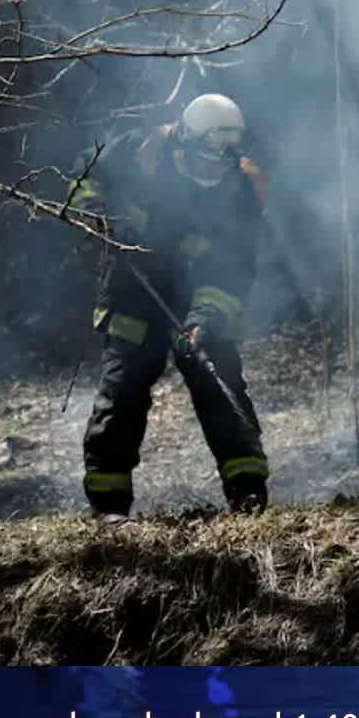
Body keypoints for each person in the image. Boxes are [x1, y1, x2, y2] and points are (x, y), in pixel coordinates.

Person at [66, 93, 270, 522]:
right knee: (121, 396)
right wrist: (93, 212)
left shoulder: (243, 191)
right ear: (185, 141)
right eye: (209, 155)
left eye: (228, 156)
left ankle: (248, 493)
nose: (218, 166)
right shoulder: (143, 153)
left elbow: (234, 269)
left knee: (220, 385)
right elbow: (85, 172)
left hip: (198, 299)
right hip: (133, 292)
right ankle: (109, 508)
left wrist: (205, 321)